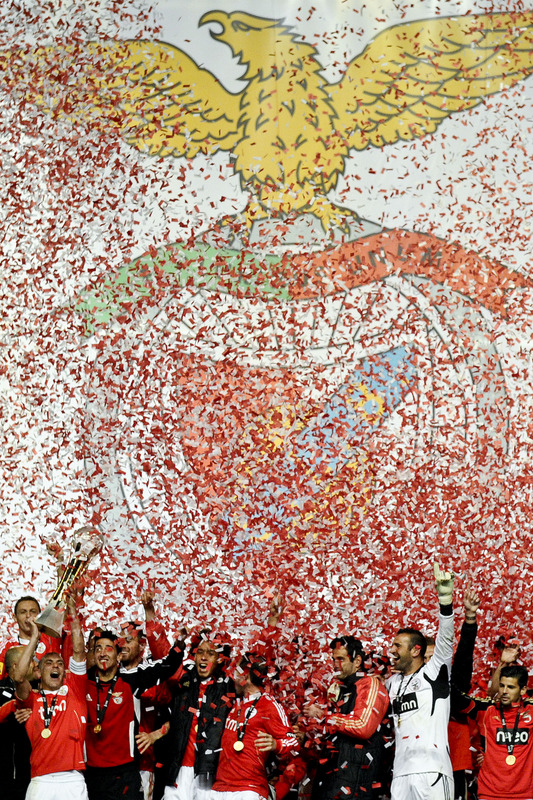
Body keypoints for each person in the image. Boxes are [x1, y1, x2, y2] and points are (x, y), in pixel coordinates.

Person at [84, 629, 184, 800]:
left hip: (125, 773)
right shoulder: (83, 683)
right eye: (98, 648)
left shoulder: (131, 680)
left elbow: (166, 667)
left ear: (118, 656)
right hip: (92, 774)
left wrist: (179, 645)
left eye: (108, 648)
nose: (102, 653)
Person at [138, 630, 234, 800]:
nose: (204, 657)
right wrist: (155, 735)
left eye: (211, 653)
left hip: (209, 773)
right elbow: (177, 719)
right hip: (178, 770)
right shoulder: (184, 682)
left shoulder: (229, 688)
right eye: (200, 652)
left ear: (220, 659)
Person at [386, 563, 454, 800]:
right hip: (401, 774)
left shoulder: (434, 674)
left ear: (415, 651)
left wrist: (445, 601)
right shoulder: (391, 683)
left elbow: (446, 640)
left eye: (397, 646)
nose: (391, 650)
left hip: (432, 771)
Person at [12, 609, 88, 799]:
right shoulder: (32, 700)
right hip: (40, 781)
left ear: (64, 671)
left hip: (73, 779)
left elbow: (78, 651)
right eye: (49, 663)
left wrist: (74, 617)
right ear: (38, 672)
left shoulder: (75, 691)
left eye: (60, 663)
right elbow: (19, 677)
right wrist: (34, 637)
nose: (55, 666)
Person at [304, 634, 389, 799]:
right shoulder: (337, 689)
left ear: (357, 661)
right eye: (333, 659)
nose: (335, 665)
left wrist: (324, 716)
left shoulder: (369, 684)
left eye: (341, 659)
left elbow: (363, 727)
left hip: (354, 786)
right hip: (330, 782)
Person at [211, 652, 299, 800]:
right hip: (220, 787)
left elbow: (294, 743)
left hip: (249, 790)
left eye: (236, 670)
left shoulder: (269, 705)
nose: (233, 676)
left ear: (245, 675)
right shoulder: (235, 704)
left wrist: (276, 744)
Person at [0, 596, 60, 679]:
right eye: (23, 612)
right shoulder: (7, 649)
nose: (28, 615)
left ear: (40, 615)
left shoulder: (52, 639)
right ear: (15, 618)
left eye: (33, 611)